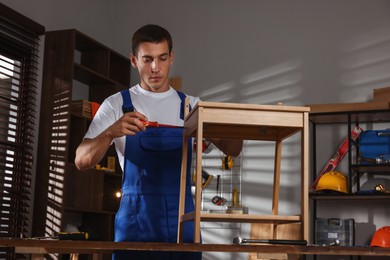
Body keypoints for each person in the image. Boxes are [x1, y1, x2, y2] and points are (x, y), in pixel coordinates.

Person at [75, 24, 243, 260]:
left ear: (171, 57)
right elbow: (81, 160)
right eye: (147, 59)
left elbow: (235, 149)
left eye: (162, 58)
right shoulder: (116, 104)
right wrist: (110, 132)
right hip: (135, 220)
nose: (156, 68)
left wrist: (210, 128)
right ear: (134, 60)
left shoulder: (193, 106)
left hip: (182, 219)